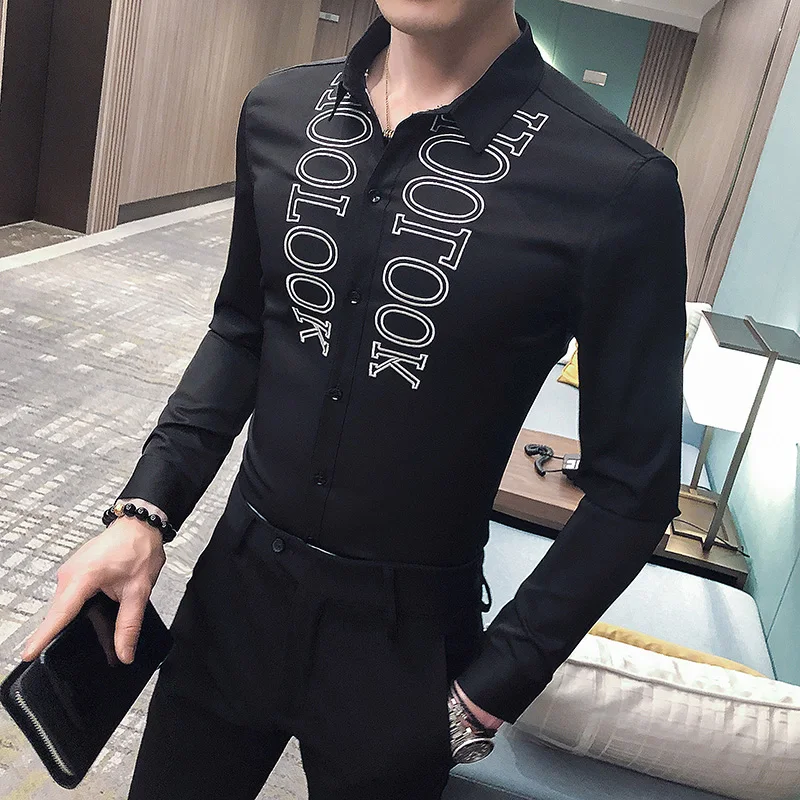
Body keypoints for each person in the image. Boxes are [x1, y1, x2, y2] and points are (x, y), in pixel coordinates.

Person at [22, 0, 688, 797]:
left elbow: (634, 490)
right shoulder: (279, 109)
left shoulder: (616, 184)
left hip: (407, 645)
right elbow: (242, 330)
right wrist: (144, 510)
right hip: (235, 595)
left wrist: (487, 692)